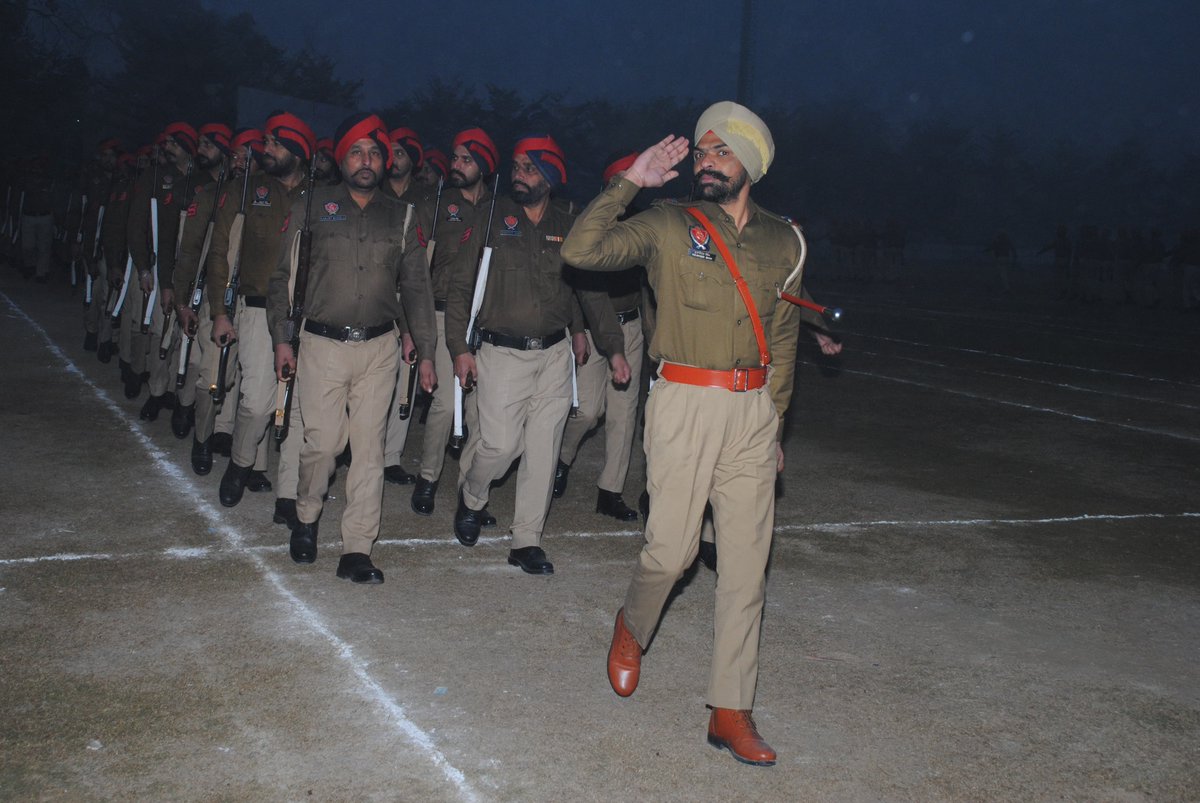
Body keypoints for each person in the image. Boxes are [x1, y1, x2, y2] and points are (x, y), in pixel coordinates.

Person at [561, 101, 814, 766]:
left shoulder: (785, 243)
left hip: (752, 411)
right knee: (671, 553)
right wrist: (632, 182)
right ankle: (632, 623)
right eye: (701, 152)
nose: (706, 161)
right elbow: (581, 250)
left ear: (750, 163)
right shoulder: (669, 224)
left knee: (746, 567)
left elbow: (784, 337)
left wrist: (775, 419)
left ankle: (730, 709)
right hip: (683, 402)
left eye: (721, 152)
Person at [268, 113, 437, 583]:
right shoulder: (311, 206)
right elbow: (283, 278)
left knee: (368, 451)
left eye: (375, 153)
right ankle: (306, 515)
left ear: (384, 161)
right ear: (342, 158)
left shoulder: (402, 216)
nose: (366, 161)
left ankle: (357, 548)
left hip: (380, 348)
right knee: (323, 445)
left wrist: (425, 350)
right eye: (357, 152)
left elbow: (416, 288)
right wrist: (282, 339)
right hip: (321, 344)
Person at [448, 134, 585, 575]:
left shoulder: (567, 222)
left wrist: (583, 333)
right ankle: (472, 496)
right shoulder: (492, 216)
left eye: (530, 168)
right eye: (517, 167)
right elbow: (461, 287)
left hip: (555, 354)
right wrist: (459, 348)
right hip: (502, 352)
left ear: (551, 176)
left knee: (543, 449)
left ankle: (526, 540)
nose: (520, 175)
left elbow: (578, 288)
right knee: (501, 445)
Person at [206, 111, 314, 506]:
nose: (265, 148)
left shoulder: (321, 197)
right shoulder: (247, 189)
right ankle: (241, 463)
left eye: (275, 143)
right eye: (266, 141)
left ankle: (288, 496)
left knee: (300, 409)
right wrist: (220, 311)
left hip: (308, 317)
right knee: (256, 402)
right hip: (256, 309)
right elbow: (220, 252)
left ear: (297, 151)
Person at [409, 128, 500, 521]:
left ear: (485, 165)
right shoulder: (435, 205)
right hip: (444, 312)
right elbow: (414, 266)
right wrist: (411, 323)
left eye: (467, 159)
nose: (457, 165)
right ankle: (428, 477)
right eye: (455, 157)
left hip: (486, 319)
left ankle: (469, 490)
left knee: (481, 411)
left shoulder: (500, 209)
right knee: (446, 404)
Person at [555, 152, 645, 521]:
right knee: (588, 410)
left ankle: (610, 491)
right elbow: (578, 284)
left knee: (623, 415)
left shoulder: (642, 227)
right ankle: (561, 458)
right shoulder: (592, 224)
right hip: (593, 329)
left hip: (631, 326)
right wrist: (577, 330)